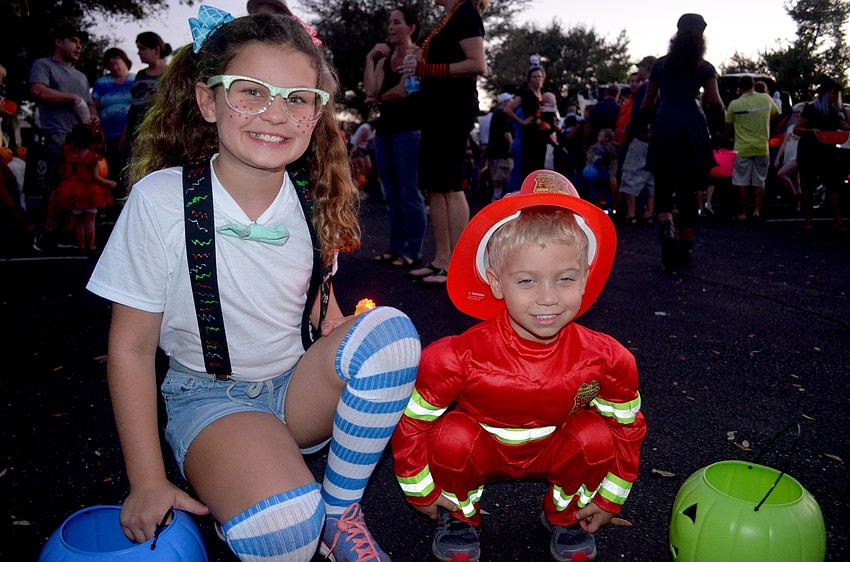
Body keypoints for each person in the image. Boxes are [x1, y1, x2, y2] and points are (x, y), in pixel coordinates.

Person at [86, 8, 420, 562]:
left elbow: (320, 301)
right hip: (211, 398)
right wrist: (146, 479)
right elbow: (131, 346)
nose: (275, 113)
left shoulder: (315, 199)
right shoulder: (163, 201)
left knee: (392, 333)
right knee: (285, 534)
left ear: (316, 114)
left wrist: (356, 356)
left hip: (296, 392)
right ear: (207, 100)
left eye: (296, 98)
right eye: (252, 92)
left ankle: (339, 511)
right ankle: (253, 482)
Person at [392, 170, 645, 562]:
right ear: (496, 282)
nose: (548, 298)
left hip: (555, 448)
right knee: (450, 437)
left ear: (585, 278)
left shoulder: (608, 359)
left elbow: (627, 428)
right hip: (484, 448)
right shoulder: (455, 357)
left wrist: (613, 498)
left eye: (564, 278)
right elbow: (413, 426)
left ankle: (566, 513)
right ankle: (460, 515)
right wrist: (419, 490)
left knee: (597, 435)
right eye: (526, 281)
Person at [403, 0, 487, 285]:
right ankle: (442, 259)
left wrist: (428, 70)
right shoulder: (451, 17)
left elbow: (477, 64)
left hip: (453, 111)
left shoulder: (465, 14)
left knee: (450, 184)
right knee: (435, 187)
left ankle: (459, 267)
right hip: (436, 111)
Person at [639, 13, 723, 268]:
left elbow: (647, 104)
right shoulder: (705, 67)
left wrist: (639, 128)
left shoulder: (661, 65)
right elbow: (714, 103)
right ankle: (685, 246)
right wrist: (721, 127)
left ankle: (666, 228)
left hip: (665, 123)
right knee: (689, 190)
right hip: (691, 124)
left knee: (663, 185)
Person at [363, 6, 426, 268]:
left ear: (411, 28)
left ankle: (413, 250)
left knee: (408, 190)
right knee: (391, 193)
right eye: (390, 22)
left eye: (397, 22)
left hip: (409, 131)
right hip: (385, 131)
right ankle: (395, 247)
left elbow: (403, 92)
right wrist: (369, 59)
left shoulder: (419, 55)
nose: (390, 27)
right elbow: (370, 90)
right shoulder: (383, 61)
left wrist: (379, 97)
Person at [29, 23, 99, 251]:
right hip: (57, 135)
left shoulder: (80, 76)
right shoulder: (43, 65)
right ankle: (47, 234)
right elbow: (38, 90)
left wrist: (95, 118)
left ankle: (67, 233)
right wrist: (71, 98)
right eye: (74, 41)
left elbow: (89, 104)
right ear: (59, 42)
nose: (79, 46)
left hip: (83, 140)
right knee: (59, 187)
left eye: (81, 43)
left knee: (79, 187)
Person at [793, 76, 850, 231]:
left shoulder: (834, 111)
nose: (833, 95)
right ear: (823, 93)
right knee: (808, 187)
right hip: (809, 151)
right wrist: (811, 131)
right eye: (831, 92)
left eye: (835, 92)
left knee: (834, 186)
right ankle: (809, 220)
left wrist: (844, 109)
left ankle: (838, 221)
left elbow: (847, 127)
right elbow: (797, 129)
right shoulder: (811, 108)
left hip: (828, 151)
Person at [724, 74, 779, 221]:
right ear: (753, 85)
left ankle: (742, 212)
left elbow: (728, 126)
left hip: (742, 147)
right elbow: (776, 112)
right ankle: (756, 210)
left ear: (739, 88)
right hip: (762, 146)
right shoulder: (766, 99)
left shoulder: (734, 105)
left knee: (741, 181)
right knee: (759, 180)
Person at [53, 123, 115, 251]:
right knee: (90, 221)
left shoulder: (70, 156)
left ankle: (81, 246)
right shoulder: (92, 158)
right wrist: (110, 183)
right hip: (90, 193)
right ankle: (91, 246)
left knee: (78, 222)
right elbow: (95, 178)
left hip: (74, 192)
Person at [91, 48, 134, 192]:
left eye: (115, 57)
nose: (112, 61)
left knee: (130, 170)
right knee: (111, 171)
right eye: (108, 59)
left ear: (125, 59)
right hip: (107, 137)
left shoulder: (135, 80)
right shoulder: (101, 83)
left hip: (131, 135)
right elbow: (93, 107)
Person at [122, 31, 171, 151]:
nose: (139, 53)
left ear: (156, 50)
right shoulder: (140, 75)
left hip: (161, 135)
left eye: (142, 48)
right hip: (136, 135)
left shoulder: (171, 74)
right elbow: (133, 107)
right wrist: (125, 133)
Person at [504, 56, 547, 181]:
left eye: (539, 76)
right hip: (529, 136)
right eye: (534, 77)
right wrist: (521, 121)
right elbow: (508, 109)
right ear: (529, 79)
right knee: (529, 169)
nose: (537, 79)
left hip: (541, 135)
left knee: (540, 169)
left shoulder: (542, 95)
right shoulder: (525, 94)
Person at [774, 105, 802, 214]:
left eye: (800, 113)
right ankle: (798, 206)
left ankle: (796, 197)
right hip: (788, 156)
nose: (797, 115)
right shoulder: (791, 128)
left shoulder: (804, 128)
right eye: (796, 113)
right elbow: (784, 144)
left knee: (781, 174)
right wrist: (777, 158)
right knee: (796, 181)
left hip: (797, 157)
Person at [486, 92, 514, 199]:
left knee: (498, 178)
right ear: (505, 102)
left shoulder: (495, 114)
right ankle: (498, 200)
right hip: (503, 153)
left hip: (496, 153)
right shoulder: (502, 114)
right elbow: (506, 131)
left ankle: (496, 197)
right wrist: (512, 145)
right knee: (502, 178)